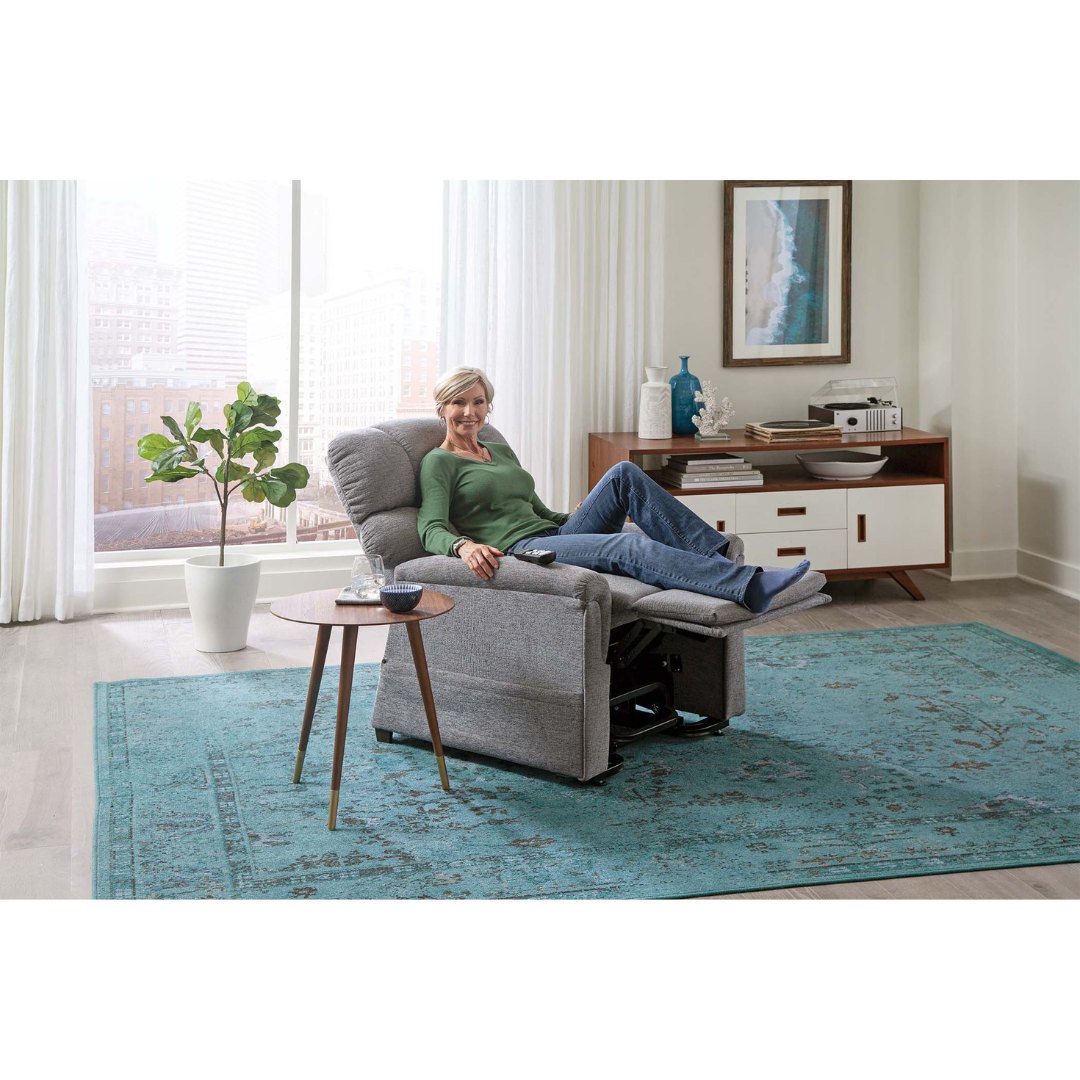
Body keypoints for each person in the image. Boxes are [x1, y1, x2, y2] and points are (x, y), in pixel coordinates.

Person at [417, 366, 811, 614]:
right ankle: (748, 584)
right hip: (522, 551)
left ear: (489, 407)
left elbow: (536, 509)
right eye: (458, 403)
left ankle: (715, 557)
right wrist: (464, 546)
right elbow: (430, 526)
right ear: (442, 409)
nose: (469, 412)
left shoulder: (498, 450)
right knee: (626, 546)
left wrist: (575, 517)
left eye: (478, 402)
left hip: (552, 534)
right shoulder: (440, 462)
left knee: (623, 473)